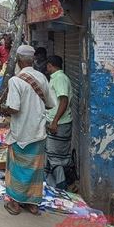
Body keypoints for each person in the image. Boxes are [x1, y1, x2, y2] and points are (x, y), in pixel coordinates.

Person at [0, 45, 56, 216]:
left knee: (17, 169)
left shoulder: (16, 80)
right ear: (32, 59)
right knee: (35, 171)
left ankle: (15, 203)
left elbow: (14, 108)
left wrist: (3, 110)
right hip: (38, 131)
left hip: (21, 133)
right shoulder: (42, 78)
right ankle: (33, 204)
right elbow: (50, 103)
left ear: (20, 60)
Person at [45, 55, 73, 190]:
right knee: (52, 155)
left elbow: (64, 100)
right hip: (56, 122)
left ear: (50, 65)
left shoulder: (60, 79)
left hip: (60, 124)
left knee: (56, 157)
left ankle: (60, 186)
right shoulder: (57, 78)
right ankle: (56, 184)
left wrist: (55, 121)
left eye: (47, 66)